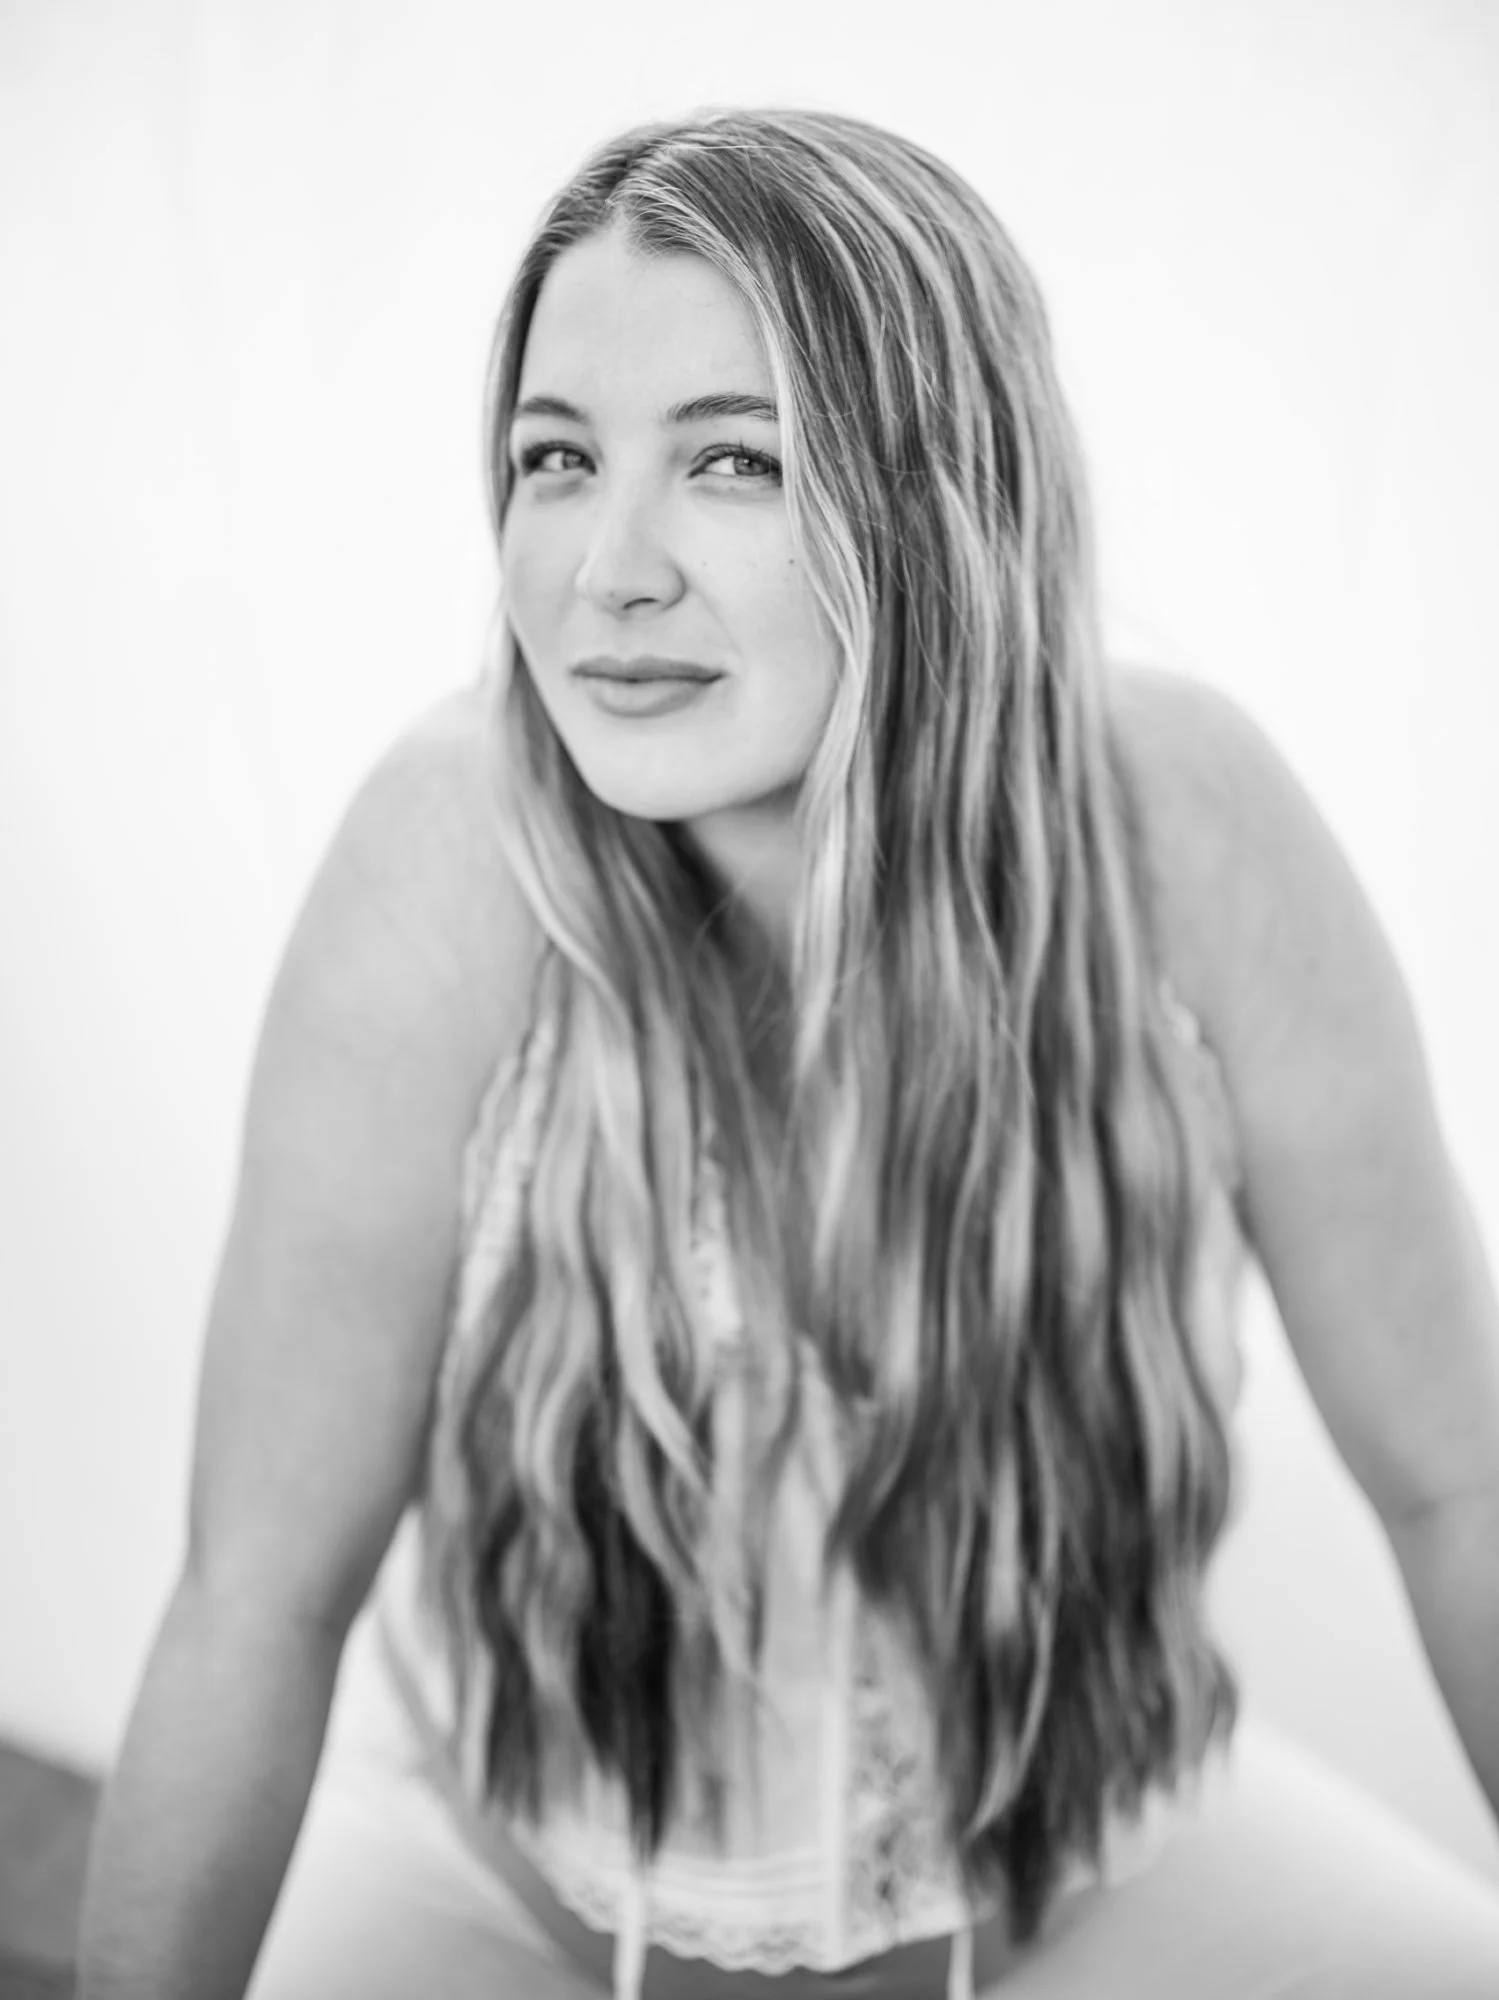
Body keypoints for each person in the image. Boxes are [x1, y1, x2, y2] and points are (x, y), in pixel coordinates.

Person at [77, 105, 1499, 1999]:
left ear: (936, 497)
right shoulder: (442, 863)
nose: (609, 569)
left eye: (733, 461)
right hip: (516, 1918)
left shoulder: (1189, 826)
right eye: (555, 460)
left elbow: (1456, 1490)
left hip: (1112, 1880)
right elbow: (253, 1604)